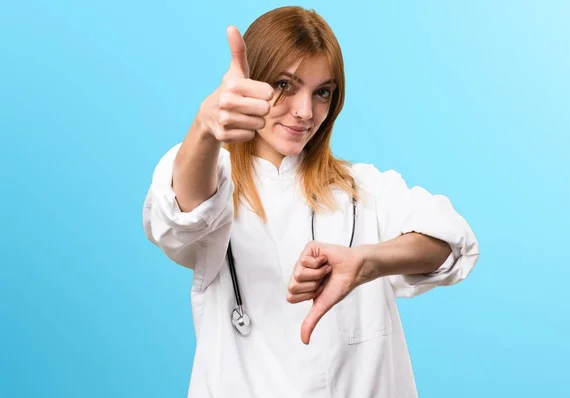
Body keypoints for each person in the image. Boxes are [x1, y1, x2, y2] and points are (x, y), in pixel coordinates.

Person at [142, 6, 479, 398]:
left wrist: (365, 263)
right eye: (285, 85)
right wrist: (205, 126)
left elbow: (450, 242)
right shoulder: (215, 180)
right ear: (253, 82)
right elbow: (179, 213)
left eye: (322, 92)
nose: (305, 112)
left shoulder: (360, 188)